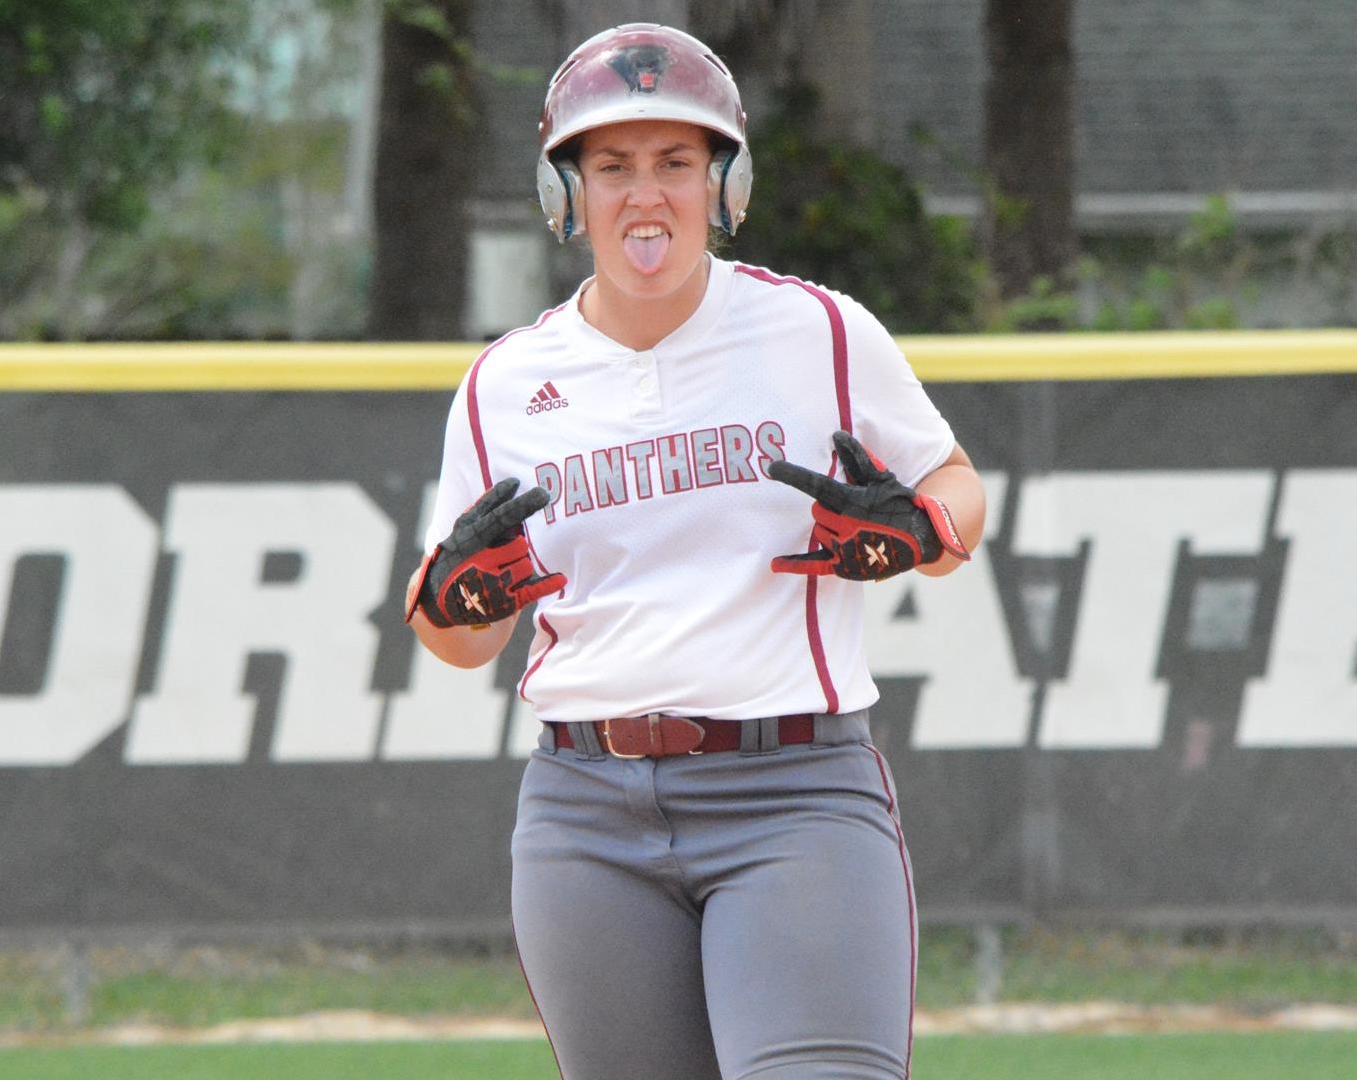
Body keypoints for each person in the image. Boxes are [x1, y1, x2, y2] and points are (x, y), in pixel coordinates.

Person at [405, 22, 986, 1080]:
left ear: (726, 182)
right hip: (585, 815)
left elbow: (955, 491)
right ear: (566, 192)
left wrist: (921, 532)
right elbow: (456, 635)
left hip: (795, 793)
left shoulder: (818, 332)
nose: (645, 194)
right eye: (612, 166)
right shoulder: (505, 383)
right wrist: (451, 599)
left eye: (678, 162)